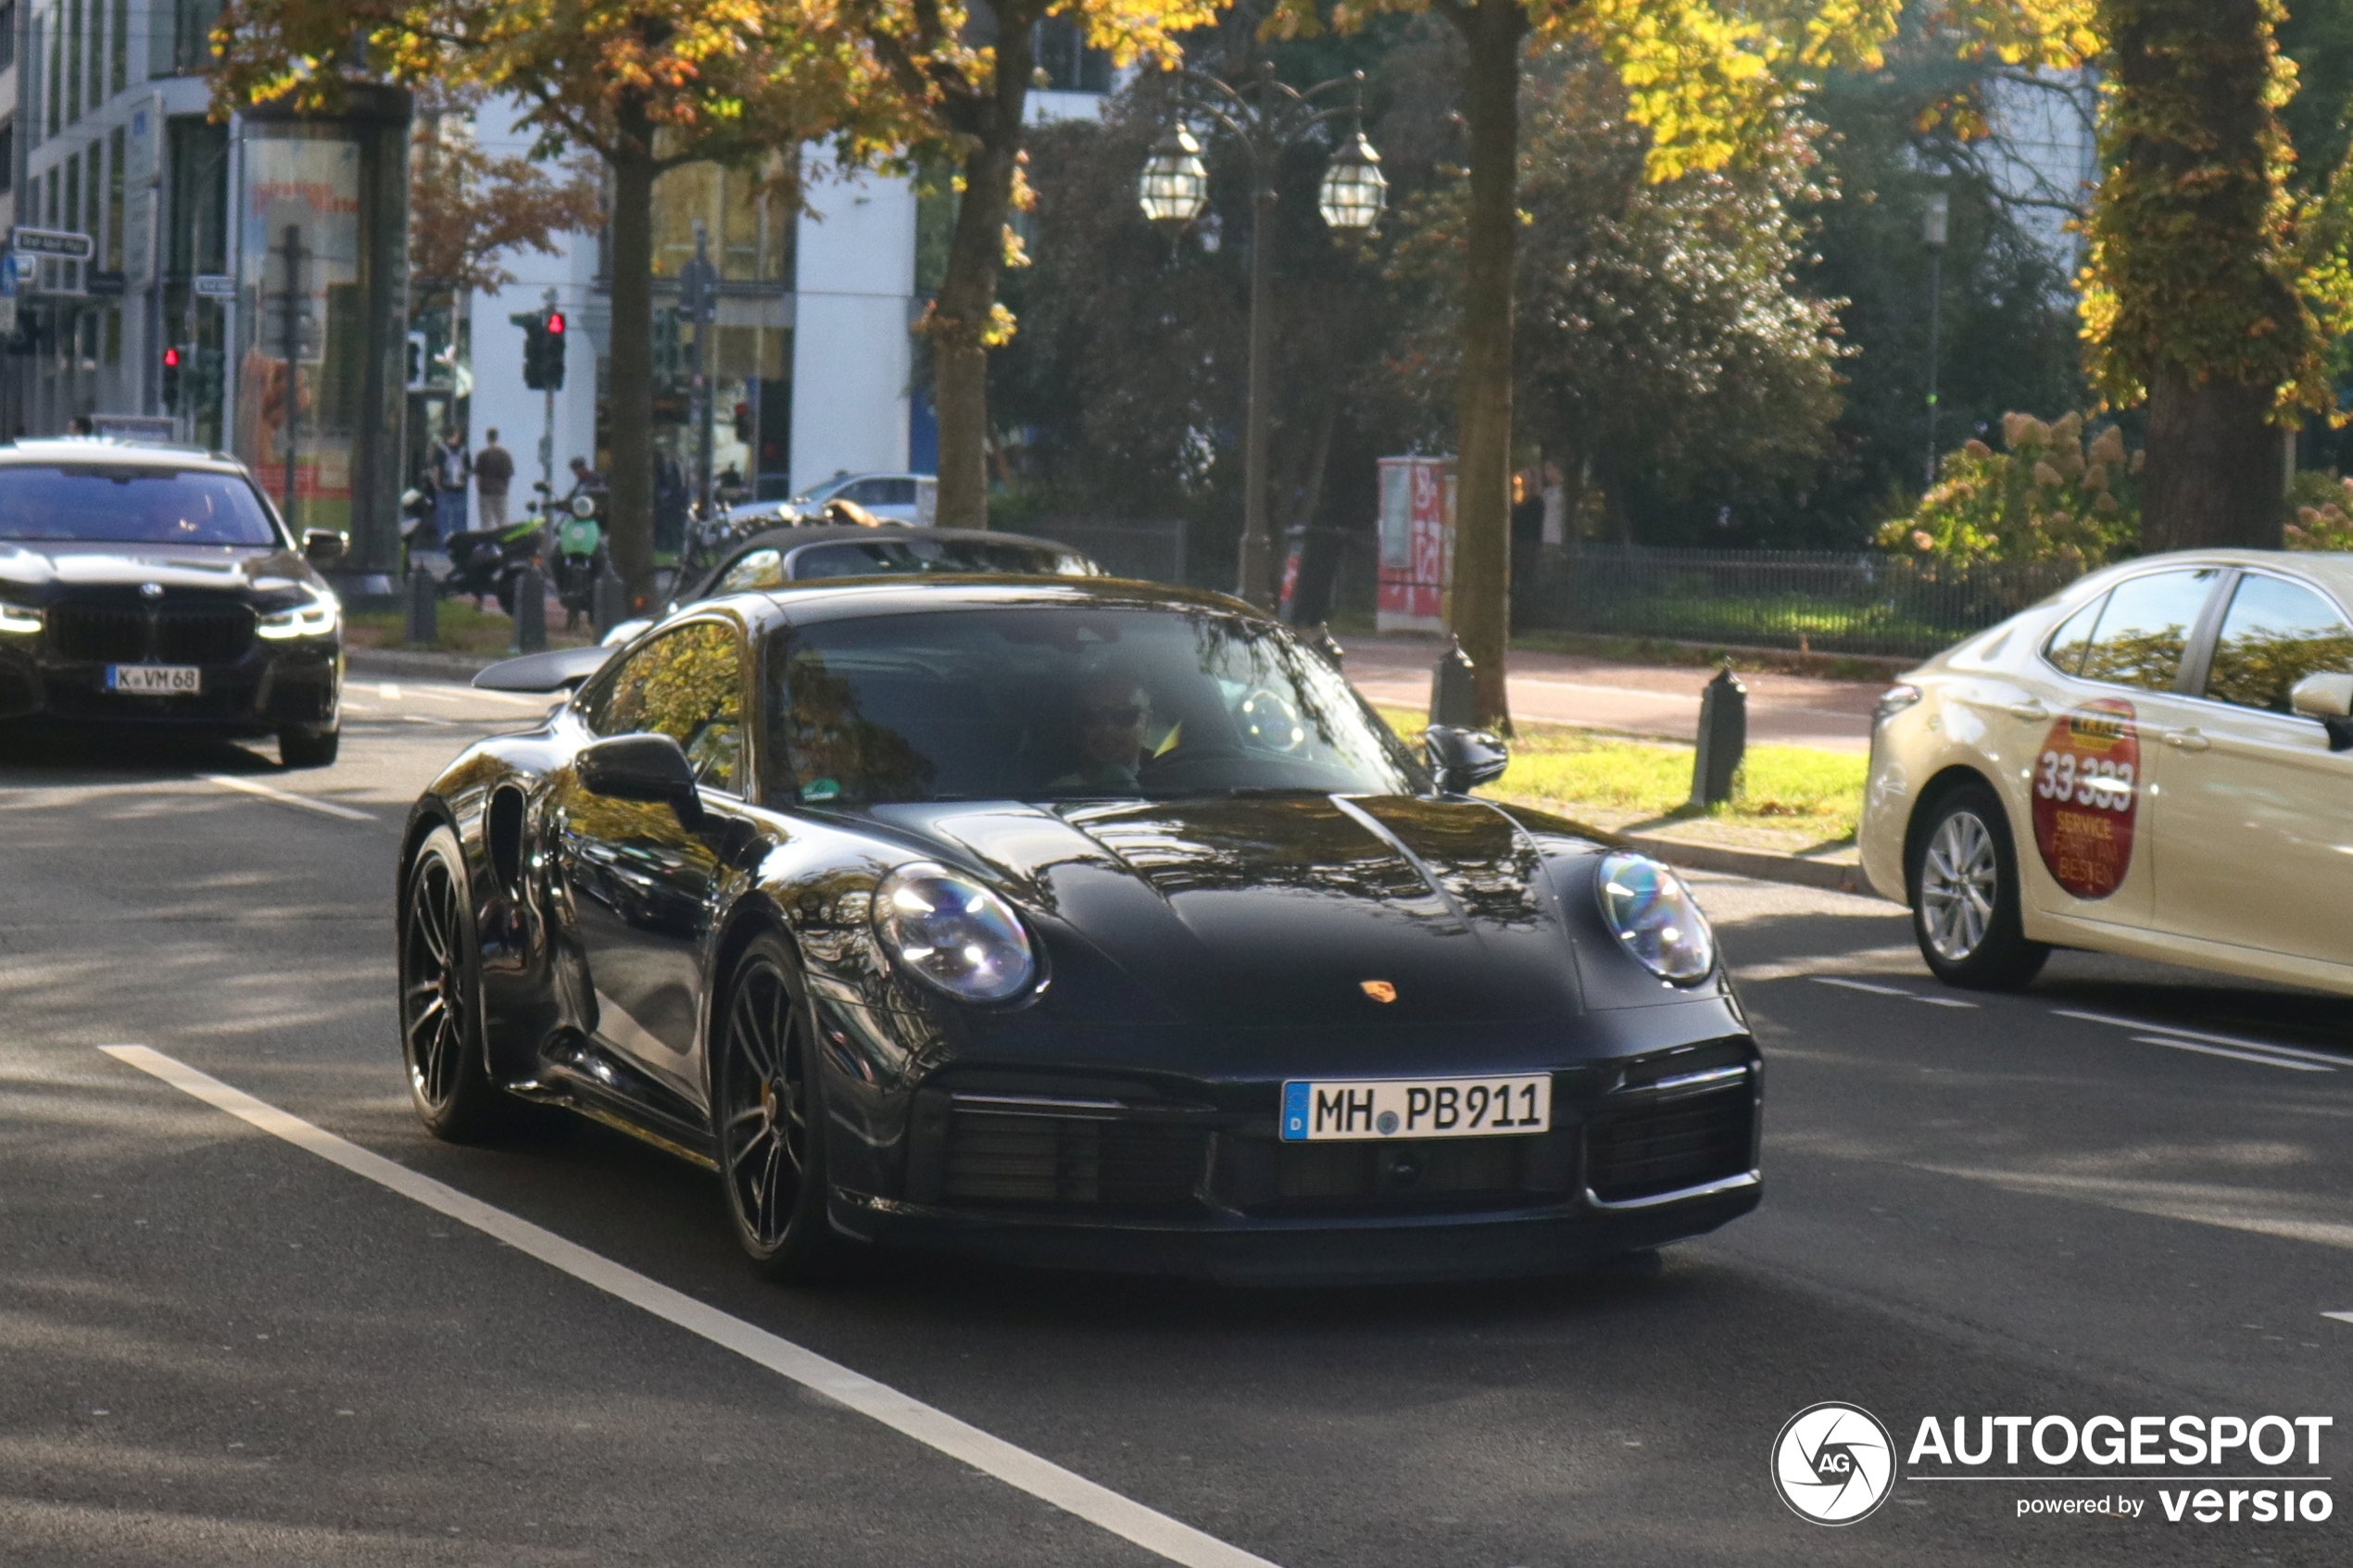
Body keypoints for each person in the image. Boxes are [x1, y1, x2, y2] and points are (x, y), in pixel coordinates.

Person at [1051, 671, 1157, 797]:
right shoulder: (1054, 797)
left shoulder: (1172, 784)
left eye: (1124, 716)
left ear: (1148, 723)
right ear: (1077, 726)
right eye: (1092, 717)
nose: (1107, 729)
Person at [433, 427, 471, 543]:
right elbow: (469, 471)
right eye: (457, 436)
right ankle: (459, 546)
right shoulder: (464, 451)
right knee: (459, 522)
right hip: (459, 490)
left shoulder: (440, 450)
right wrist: (463, 475)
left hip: (444, 489)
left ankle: (444, 548)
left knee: (444, 521)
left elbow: (437, 469)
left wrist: (437, 485)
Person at [474, 429, 514, 529]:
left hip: (485, 492)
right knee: (503, 523)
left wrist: (480, 490)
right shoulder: (505, 455)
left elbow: (478, 477)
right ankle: (503, 544)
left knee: (486, 524)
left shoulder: (482, 455)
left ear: (487, 438)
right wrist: (504, 489)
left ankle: (488, 544)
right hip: (501, 492)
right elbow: (508, 476)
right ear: (497, 438)